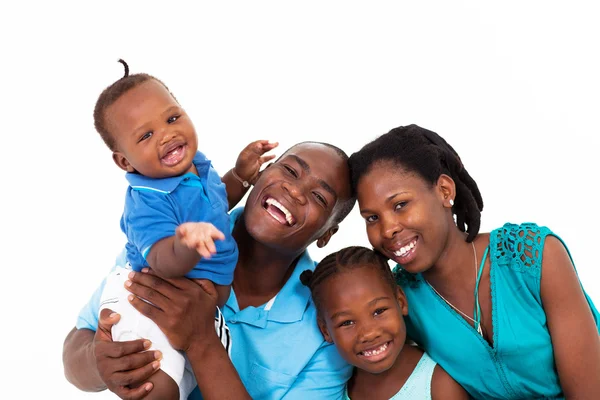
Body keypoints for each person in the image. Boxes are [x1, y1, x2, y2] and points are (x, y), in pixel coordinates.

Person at [63, 141, 357, 399]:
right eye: (290, 171)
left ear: (327, 235)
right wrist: (98, 362)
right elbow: (79, 346)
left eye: (319, 197)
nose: (294, 189)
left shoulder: (328, 327)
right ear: (260, 173)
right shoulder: (176, 241)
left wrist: (201, 340)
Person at [348, 124, 600, 399]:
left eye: (400, 205)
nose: (387, 230)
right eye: (372, 218)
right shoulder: (401, 298)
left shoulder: (534, 257)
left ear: (444, 191)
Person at [91, 59, 278, 399]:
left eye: (173, 118)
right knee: (157, 388)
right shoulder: (146, 200)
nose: (167, 134)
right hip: (150, 303)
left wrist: (240, 176)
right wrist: (186, 243)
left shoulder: (198, 166)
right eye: (146, 135)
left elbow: (217, 204)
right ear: (125, 161)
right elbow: (163, 260)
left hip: (195, 315)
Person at [300, 245, 469, 399]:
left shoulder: (440, 385)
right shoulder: (333, 389)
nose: (369, 333)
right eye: (347, 323)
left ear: (401, 301)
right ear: (325, 331)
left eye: (378, 311)